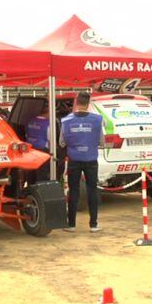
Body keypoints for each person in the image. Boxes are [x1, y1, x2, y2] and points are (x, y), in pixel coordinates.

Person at [60, 92, 104, 233]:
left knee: (73, 191)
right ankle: (94, 225)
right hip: (91, 159)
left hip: (74, 159)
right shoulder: (97, 120)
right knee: (92, 191)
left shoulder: (66, 121)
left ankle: (71, 224)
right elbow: (102, 142)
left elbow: (61, 143)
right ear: (88, 103)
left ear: (76, 103)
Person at [25, 106, 51, 181]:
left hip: (30, 149)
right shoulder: (48, 124)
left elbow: (27, 134)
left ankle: (30, 188)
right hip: (42, 149)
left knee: (31, 171)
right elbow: (50, 139)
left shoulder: (29, 121)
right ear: (47, 112)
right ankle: (40, 189)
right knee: (42, 172)